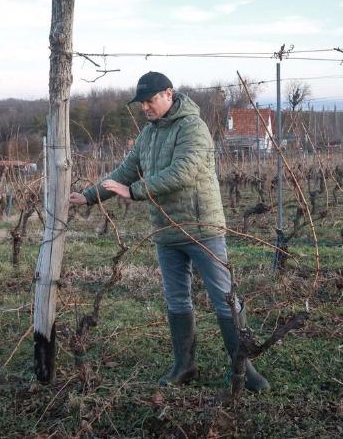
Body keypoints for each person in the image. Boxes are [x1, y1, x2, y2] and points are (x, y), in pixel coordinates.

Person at [69, 71, 269, 391]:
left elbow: (183, 173)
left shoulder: (194, 127)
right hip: (166, 230)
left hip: (200, 227)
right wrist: (91, 195)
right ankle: (184, 367)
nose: (145, 107)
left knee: (224, 298)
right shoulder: (149, 134)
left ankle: (245, 369)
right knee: (176, 299)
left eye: (150, 100)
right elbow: (125, 171)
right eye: (142, 103)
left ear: (168, 94)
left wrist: (133, 191)